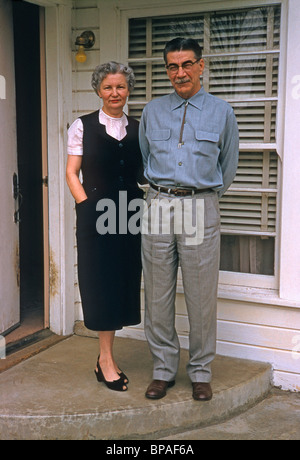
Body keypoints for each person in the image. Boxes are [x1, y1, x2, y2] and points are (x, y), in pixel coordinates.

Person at [139, 37, 239, 401]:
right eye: (172, 66)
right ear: (167, 70)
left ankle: (200, 371)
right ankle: (163, 369)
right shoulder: (152, 111)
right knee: (157, 294)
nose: (179, 72)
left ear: (200, 66)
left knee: (200, 297)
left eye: (186, 64)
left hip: (201, 207)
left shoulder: (221, 112)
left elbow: (227, 166)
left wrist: (202, 196)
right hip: (158, 205)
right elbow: (145, 156)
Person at [66, 62, 144, 392]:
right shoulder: (82, 126)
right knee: (99, 282)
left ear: (129, 90)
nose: (115, 93)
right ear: (98, 90)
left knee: (122, 281)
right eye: (109, 87)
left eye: (121, 87)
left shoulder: (140, 128)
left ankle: (106, 358)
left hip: (129, 215)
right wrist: (86, 207)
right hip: (95, 216)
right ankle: (105, 360)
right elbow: (72, 172)